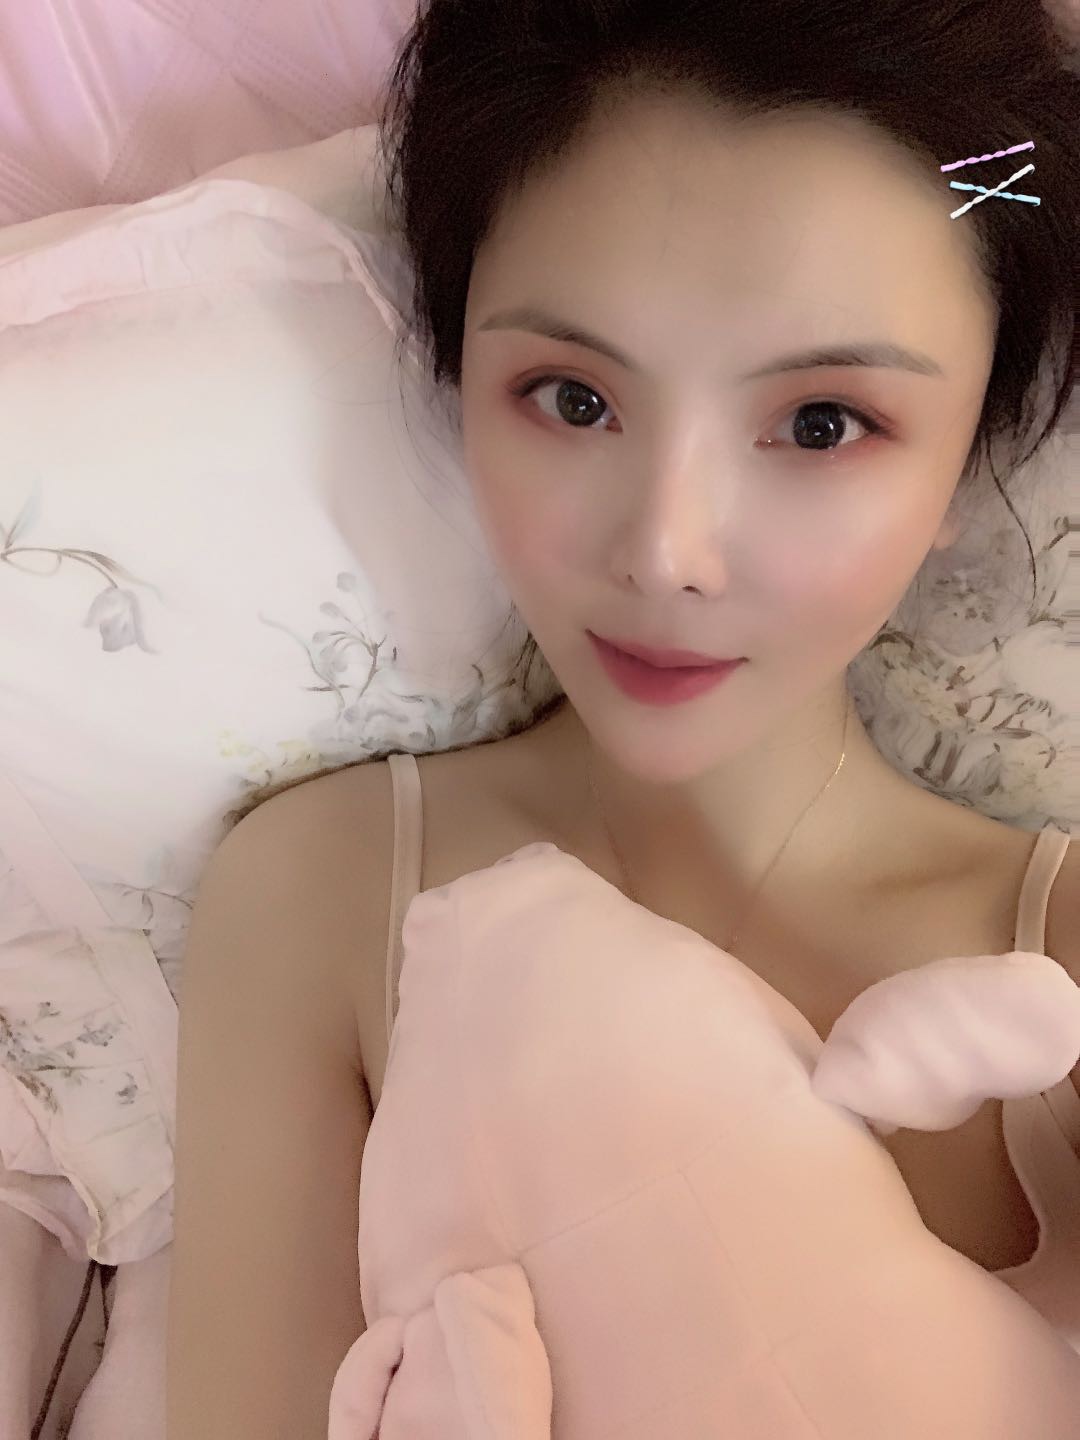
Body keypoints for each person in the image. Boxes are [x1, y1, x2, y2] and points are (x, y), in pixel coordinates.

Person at [168, 2, 1080, 1436]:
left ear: (975, 456)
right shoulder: (320, 894)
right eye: (573, 397)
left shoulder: (1059, 952)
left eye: (823, 424)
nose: (666, 552)